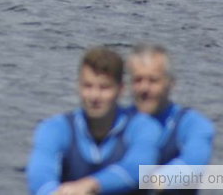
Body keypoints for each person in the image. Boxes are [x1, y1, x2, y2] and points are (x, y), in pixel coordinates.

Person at [26, 46, 161, 195]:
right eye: (88, 86)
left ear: (121, 90)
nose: (94, 96)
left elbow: (139, 170)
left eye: (104, 88)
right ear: (78, 86)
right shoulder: (54, 128)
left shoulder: (143, 127)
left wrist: (92, 185)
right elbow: (40, 177)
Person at [128, 44, 215, 194]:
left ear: (171, 84)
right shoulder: (120, 121)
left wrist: (148, 182)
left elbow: (193, 165)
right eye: (138, 80)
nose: (144, 88)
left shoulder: (194, 125)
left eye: (153, 80)